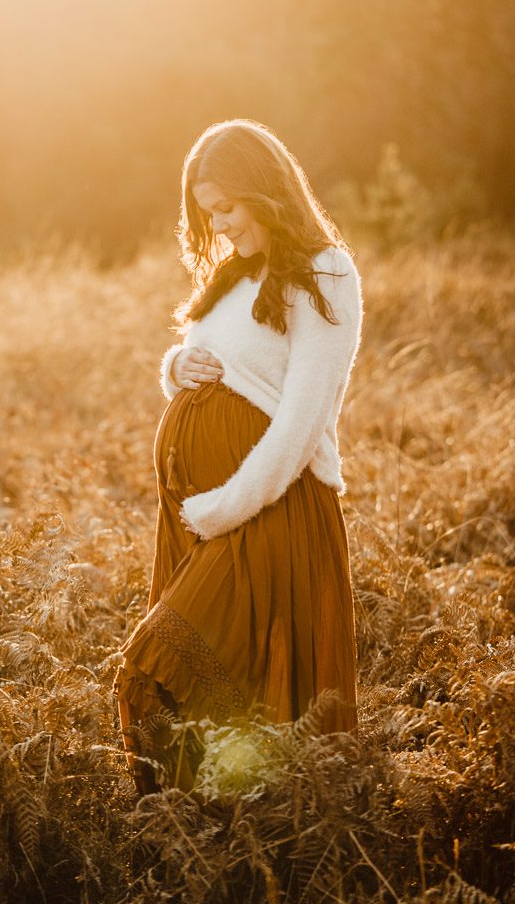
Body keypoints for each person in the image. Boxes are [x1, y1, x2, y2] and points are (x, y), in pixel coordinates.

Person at [113, 118, 364, 795]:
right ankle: (195, 850)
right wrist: (177, 364)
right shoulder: (232, 274)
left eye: (227, 207)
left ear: (267, 190)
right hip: (201, 519)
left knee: (154, 664)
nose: (219, 225)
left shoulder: (324, 273)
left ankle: (260, 848)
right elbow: (219, 365)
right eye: (208, 213)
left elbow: (301, 419)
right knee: (198, 703)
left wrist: (225, 508)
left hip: (267, 516)